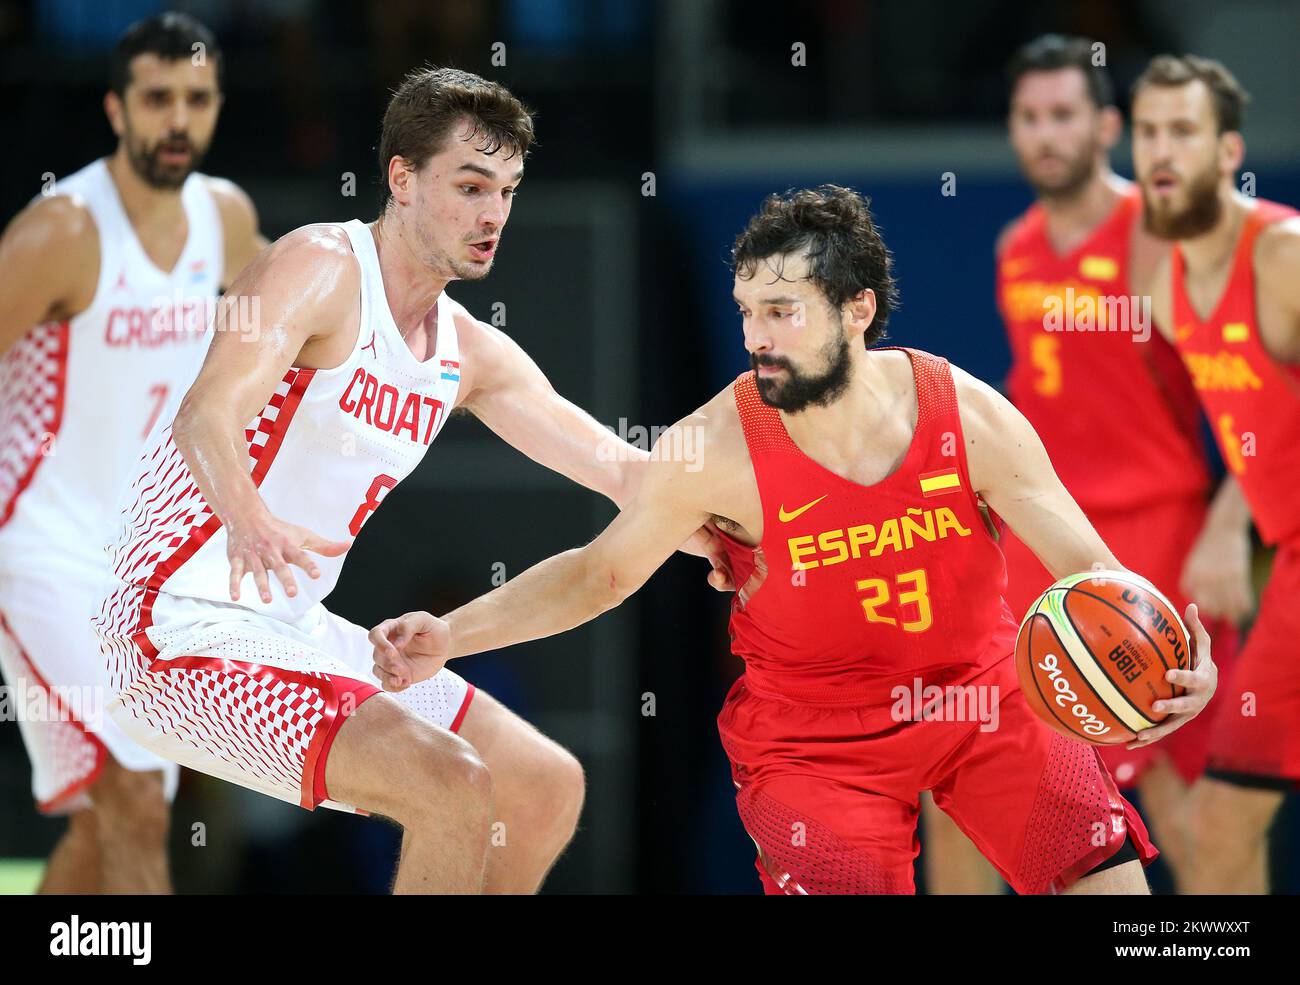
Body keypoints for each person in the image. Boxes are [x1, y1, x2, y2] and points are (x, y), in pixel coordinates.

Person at [369, 184, 1221, 895]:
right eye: (747, 312)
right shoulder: (714, 447)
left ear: (858, 309)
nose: (755, 338)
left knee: (1111, 887)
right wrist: (452, 635)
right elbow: (598, 575)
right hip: (814, 740)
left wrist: (1182, 659)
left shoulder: (968, 413)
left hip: (981, 694)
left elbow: (1092, 574)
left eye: (781, 311)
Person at [93, 65, 721, 894]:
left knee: (541, 785)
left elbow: (626, 472)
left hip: (286, 629)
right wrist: (249, 520)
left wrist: (737, 535)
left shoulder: (469, 353)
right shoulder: (321, 265)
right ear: (401, 179)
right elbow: (205, 414)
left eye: (506, 188)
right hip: (166, 628)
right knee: (451, 785)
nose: (492, 212)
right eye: (469, 184)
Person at [921, 33, 1244, 895]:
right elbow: (1037, 393)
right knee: (963, 791)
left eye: (1063, 114)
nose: (1044, 134)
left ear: (1106, 125)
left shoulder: (1163, 235)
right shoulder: (1016, 247)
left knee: (1185, 806)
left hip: (1156, 534)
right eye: (1028, 117)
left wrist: (1229, 521)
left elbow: (1254, 392)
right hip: (1045, 536)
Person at [0, 13, 265, 894]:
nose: (177, 119)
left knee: (116, 809)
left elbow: (296, 326)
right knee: (134, 801)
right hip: (35, 548)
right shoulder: (61, 232)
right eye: (157, 98)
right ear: (117, 110)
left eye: (196, 98)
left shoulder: (225, 221)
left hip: (134, 567)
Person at [1133, 54, 1300, 893]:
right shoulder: (1167, 287)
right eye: (1149, 131)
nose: (1163, 151)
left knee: (1221, 817)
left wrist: (1229, 521)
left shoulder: (1282, 254)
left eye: (1185, 131)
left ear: (1229, 149)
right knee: (1219, 821)